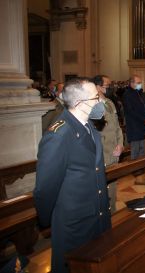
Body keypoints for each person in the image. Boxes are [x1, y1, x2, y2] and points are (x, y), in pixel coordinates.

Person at [34, 78, 111, 273]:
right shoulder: (59, 134)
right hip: (75, 223)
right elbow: (45, 188)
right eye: (96, 97)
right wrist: (47, 221)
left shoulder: (89, 126)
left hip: (97, 216)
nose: (101, 101)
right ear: (79, 103)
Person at [93, 75, 123, 213]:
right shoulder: (92, 105)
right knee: (100, 191)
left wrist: (120, 144)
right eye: (107, 85)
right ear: (98, 86)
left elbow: (117, 127)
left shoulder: (109, 102)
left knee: (112, 187)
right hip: (102, 152)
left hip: (113, 151)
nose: (110, 87)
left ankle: (112, 214)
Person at [123, 75, 145, 160]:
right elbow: (130, 111)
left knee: (142, 150)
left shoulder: (138, 93)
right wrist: (144, 119)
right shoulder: (127, 94)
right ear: (131, 83)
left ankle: (142, 169)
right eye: (138, 83)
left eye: (140, 83)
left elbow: (144, 108)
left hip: (142, 126)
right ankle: (135, 171)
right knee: (135, 151)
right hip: (134, 126)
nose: (140, 84)